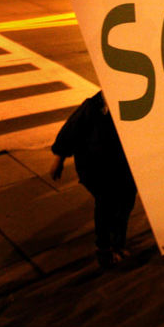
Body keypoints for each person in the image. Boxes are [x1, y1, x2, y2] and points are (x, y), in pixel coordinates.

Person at [51, 90, 137, 269]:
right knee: (107, 205)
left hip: (123, 167)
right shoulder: (93, 106)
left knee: (126, 202)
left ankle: (118, 244)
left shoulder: (134, 101)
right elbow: (70, 131)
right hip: (97, 168)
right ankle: (105, 249)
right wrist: (59, 158)